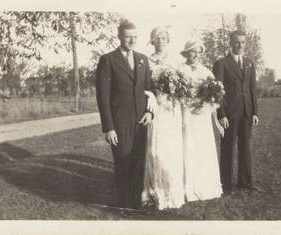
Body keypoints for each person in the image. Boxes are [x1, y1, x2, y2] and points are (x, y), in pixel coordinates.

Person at [95, 20, 153, 209]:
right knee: (123, 162)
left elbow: (149, 91)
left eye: (135, 37)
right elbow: (102, 97)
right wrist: (109, 128)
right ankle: (124, 204)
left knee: (138, 163)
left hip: (141, 122)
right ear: (119, 36)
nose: (132, 40)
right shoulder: (108, 60)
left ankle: (136, 202)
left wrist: (149, 113)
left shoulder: (143, 59)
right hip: (120, 124)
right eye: (128, 36)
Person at [141, 26, 186, 210]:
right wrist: (151, 96)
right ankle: (153, 192)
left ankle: (171, 190)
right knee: (155, 148)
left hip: (171, 108)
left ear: (168, 40)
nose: (160, 41)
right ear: (152, 41)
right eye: (157, 38)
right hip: (156, 107)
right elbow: (143, 84)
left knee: (171, 150)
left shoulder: (176, 60)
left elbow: (184, 83)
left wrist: (175, 91)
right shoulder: (147, 61)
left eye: (163, 38)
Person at [212, 30, 261, 195]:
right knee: (228, 148)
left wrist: (255, 112)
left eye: (242, 42)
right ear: (230, 43)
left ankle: (245, 181)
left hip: (246, 113)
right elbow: (217, 92)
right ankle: (225, 184)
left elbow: (252, 89)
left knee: (245, 147)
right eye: (236, 42)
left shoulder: (249, 63)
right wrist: (222, 114)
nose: (240, 45)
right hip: (230, 114)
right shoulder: (221, 63)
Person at [178, 40, 223, 202]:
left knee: (203, 147)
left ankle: (204, 185)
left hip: (202, 115)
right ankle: (187, 186)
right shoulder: (180, 70)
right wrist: (188, 104)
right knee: (187, 146)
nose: (195, 54)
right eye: (192, 51)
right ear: (186, 53)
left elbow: (215, 98)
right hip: (186, 113)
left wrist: (206, 106)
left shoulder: (206, 72)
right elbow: (177, 94)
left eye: (198, 51)